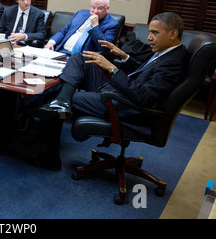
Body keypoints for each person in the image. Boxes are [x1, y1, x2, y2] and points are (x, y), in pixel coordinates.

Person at [28, 12, 187, 170]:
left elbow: (144, 96)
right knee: (80, 58)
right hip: (118, 91)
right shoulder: (169, 52)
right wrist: (124, 56)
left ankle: (48, 158)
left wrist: (112, 68)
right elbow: (144, 73)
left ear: (173, 33)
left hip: (122, 104)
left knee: (59, 95)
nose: (149, 38)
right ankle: (61, 101)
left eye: (155, 33)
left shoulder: (173, 62)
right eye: (150, 32)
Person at [45, 0, 119, 55]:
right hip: (61, 52)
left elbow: (103, 47)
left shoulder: (112, 25)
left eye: (100, 8)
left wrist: (95, 26)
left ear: (107, 9)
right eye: (93, 7)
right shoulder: (80, 14)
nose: (95, 11)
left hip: (82, 59)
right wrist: (51, 43)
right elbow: (64, 31)